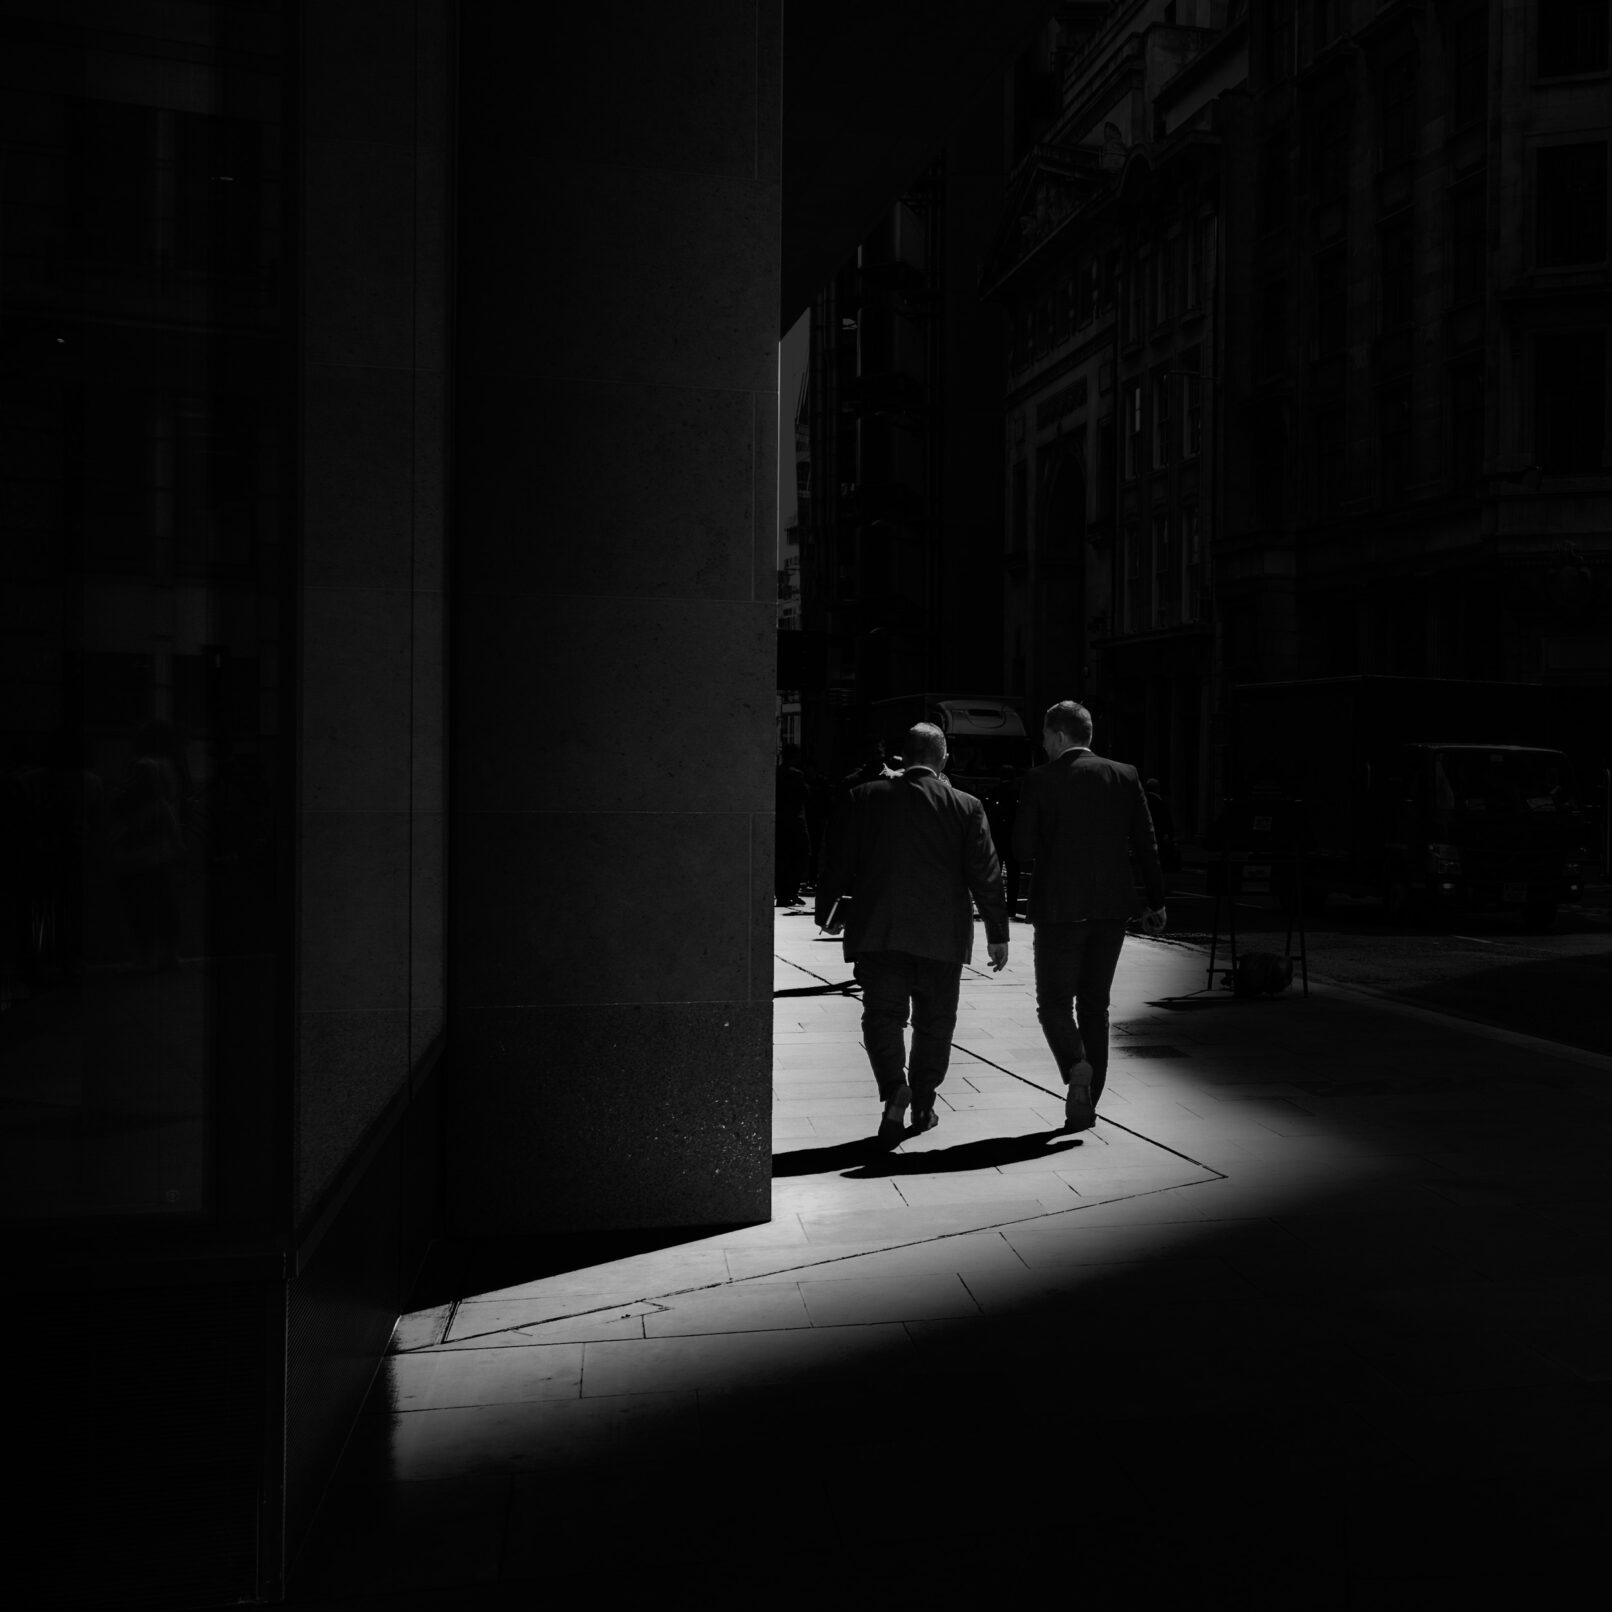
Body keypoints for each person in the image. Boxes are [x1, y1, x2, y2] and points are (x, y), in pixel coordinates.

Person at [815, 722, 1010, 1145]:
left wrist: (827, 911)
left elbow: (836, 860)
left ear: (903, 758)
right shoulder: (967, 806)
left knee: (882, 1018)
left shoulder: (863, 798)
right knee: (935, 1025)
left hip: (880, 932)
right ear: (943, 759)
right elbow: (987, 875)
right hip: (943, 937)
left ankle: (893, 1092)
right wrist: (998, 932)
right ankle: (923, 1100)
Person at [1013, 700, 1166, 1133]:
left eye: (1045, 737)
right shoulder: (1125, 775)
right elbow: (1147, 844)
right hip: (1112, 908)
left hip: (1060, 909)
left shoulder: (1040, 779)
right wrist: (1155, 901)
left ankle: (1076, 1066)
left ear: (1060, 736)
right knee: (1095, 1006)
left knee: (1054, 1004)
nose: (1043, 746)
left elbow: (1022, 847)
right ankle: (1089, 1100)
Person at [983, 765, 1022, 918]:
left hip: (997, 839)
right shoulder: (1018, 794)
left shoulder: (994, 793)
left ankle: (994, 907)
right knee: (1013, 877)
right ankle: (1011, 908)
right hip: (1012, 840)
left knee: (994, 876)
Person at [774, 743, 811, 906]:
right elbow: (805, 796)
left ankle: (782, 893)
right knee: (799, 857)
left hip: (780, 822)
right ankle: (791, 891)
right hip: (795, 821)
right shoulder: (797, 775)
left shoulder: (776, 774)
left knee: (782, 858)